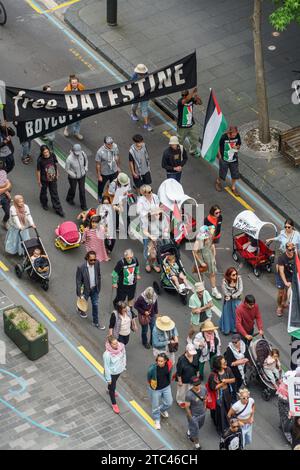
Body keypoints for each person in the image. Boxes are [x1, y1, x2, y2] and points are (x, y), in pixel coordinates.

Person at [207, 355, 236, 435]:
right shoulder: (213, 375)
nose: (225, 363)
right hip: (218, 395)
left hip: (227, 393)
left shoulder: (228, 370)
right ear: (218, 365)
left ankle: (227, 423)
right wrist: (222, 383)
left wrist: (226, 380)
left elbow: (233, 379)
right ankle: (221, 429)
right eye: (223, 363)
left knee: (227, 409)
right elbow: (213, 387)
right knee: (220, 412)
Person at [76, 251, 105, 329]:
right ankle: (79, 308)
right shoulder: (81, 267)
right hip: (85, 290)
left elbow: (98, 275)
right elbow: (78, 281)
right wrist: (80, 294)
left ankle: (96, 322)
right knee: (83, 301)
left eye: (94, 260)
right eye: (91, 260)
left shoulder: (97, 263)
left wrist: (98, 286)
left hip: (95, 289)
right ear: (87, 259)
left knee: (95, 305)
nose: (93, 262)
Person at [192, 226, 222, 299]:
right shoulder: (198, 241)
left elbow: (212, 246)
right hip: (201, 258)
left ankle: (214, 291)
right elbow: (194, 252)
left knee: (212, 274)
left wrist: (214, 256)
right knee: (200, 274)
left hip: (209, 257)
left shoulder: (209, 237)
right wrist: (201, 262)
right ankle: (202, 289)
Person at [36, 145, 65, 217]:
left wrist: (57, 172)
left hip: (53, 178)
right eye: (44, 152)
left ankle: (58, 209)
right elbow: (38, 171)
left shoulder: (52, 155)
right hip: (44, 179)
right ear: (42, 153)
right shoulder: (40, 160)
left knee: (54, 193)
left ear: (49, 151)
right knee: (44, 192)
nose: (46, 153)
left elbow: (55, 164)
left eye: (47, 151)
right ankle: (44, 203)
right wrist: (39, 181)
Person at [147, 353, 173, 430]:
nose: (159, 363)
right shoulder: (152, 369)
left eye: (161, 361)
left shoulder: (169, 365)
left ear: (165, 361)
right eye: (158, 361)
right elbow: (149, 378)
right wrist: (152, 386)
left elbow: (170, 373)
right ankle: (157, 420)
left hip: (166, 387)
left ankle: (161, 410)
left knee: (169, 402)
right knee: (155, 406)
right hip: (156, 389)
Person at [215, 126, 241, 196]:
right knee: (222, 173)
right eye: (233, 134)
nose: (234, 135)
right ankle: (218, 182)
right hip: (224, 159)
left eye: (235, 134)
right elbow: (218, 146)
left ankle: (233, 187)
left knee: (235, 174)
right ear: (230, 132)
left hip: (234, 159)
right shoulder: (224, 137)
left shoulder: (237, 136)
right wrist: (219, 155)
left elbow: (239, 144)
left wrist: (237, 147)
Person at [103, 335, 126, 414]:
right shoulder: (107, 354)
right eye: (114, 344)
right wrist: (108, 379)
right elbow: (106, 367)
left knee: (113, 383)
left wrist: (124, 365)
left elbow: (124, 356)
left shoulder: (121, 347)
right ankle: (114, 404)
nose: (116, 345)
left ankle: (109, 388)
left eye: (116, 343)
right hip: (112, 373)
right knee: (113, 388)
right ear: (110, 344)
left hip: (119, 371)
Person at [177, 88, 202, 157]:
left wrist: (197, 98)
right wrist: (193, 92)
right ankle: (178, 151)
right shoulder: (180, 101)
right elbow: (185, 100)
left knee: (195, 138)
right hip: (182, 126)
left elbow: (200, 103)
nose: (184, 97)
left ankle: (193, 151)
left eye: (185, 95)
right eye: (182, 95)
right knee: (180, 140)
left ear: (187, 94)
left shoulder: (191, 100)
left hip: (191, 124)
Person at [185, 376, 207, 450]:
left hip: (202, 414)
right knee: (196, 431)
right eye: (196, 385)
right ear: (192, 385)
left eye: (199, 384)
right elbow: (187, 407)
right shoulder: (189, 395)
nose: (198, 386)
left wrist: (205, 407)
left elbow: (205, 398)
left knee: (199, 426)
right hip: (194, 416)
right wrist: (191, 418)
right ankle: (197, 445)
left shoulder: (204, 389)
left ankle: (189, 431)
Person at [95, 136, 120, 202]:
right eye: (109, 144)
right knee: (101, 185)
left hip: (114, 170)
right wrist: (99, 175)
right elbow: (98, 164)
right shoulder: (100, 152)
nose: (111, 145)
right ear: (105, 143)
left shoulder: (115, 147)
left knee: (113, 184)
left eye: (111, 143)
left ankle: (111, 194)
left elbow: (117, 156)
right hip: (104, 172)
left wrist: (118, 166)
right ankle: (100, 195)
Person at [220, 267, 243, 335]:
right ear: (229, 275)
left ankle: (236, 328)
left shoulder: (239, 278)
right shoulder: (224, 282)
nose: (235, 276)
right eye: (233, 275)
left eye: (236, 274)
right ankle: (227, 329)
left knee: (237, 315)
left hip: (237, 300)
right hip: (228, 301)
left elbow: (240, 290)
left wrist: (232, 296)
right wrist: (230, 296)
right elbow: (225, 292)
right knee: (228, 314)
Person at [65, 143, 88, 210]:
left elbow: (86, 160)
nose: (77, 154)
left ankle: (83, 205)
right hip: (73, 178)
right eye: (76, 153)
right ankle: (69, 198)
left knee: (82, 190)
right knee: (73, 189)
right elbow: (67, 169)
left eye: (78, 152)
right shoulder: (69, 159)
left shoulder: (83, 154)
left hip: (82, 175)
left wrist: (86, 167)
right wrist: (73, 174)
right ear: (73, 151)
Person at [131, 64, 152, 131]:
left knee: (144, 110)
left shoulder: (148, 76)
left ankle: (146, 124)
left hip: (145, 95)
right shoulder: (135, 75)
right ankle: (133, 114)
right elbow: (131, 84)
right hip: (137, 95)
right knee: (134, 106)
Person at [276, 242, 295, 317]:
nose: (292, 251)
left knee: (287, 291)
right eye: (290, 250)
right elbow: (281, 272)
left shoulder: (295, 255)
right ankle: (279, 307)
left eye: (293, 249)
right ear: (286, 249)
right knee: (281, 293)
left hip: (290, 276)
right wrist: (285, 282)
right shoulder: (282, 258)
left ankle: (283, 303)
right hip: (281, 277)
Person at [63, 75, 85, 140]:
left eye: (76, 82)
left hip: (78, 107)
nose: (74, 84)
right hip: (70, 107)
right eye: (73, 83)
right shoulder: (66, 90)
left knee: (79, 120)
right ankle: (66, 129)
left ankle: (76, 132)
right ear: (70, 83)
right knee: (71, 121)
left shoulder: (81, 87)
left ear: (78, 82)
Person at [41, 85, 56, 151]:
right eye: (48, 91)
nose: (50, 92)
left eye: (50, 90)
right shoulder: (42, 99)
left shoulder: (53, 97)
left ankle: (50, 146)